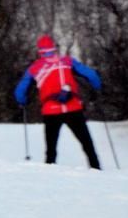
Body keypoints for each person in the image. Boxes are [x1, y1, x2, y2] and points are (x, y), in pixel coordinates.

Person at [13, 34, 102, 169]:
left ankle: (50, 173)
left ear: (40, 51)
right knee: (87, 144)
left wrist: (22, 101)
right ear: (54, 48)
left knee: (51, 149)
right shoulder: (67, 61)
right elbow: (91, 75)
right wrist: (97, 86)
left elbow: (20, 90)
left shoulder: (35, 68)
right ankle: (96, 170)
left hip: (51, 111)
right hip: (73, 108)